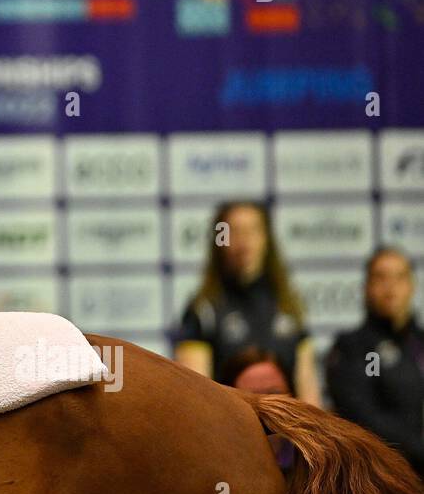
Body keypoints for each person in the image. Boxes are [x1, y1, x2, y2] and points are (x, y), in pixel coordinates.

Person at [172, 201, 321, 406]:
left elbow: (310, 397)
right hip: (227, 432)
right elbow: (195, 400)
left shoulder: (288, 306)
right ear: (220, 242)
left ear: (266, 239)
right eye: (234, 232)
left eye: (253, 230)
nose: (244, 242)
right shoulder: (203, 310)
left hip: (286, 431)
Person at [325, 247, 424, 478]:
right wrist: (419, 448)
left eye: (399, 277)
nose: (390, 287)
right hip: (382, 479)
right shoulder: (353, 348)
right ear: (366, 287)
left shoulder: (420, 342)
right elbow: (365, 419)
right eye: (381, 277)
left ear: (412, 286)